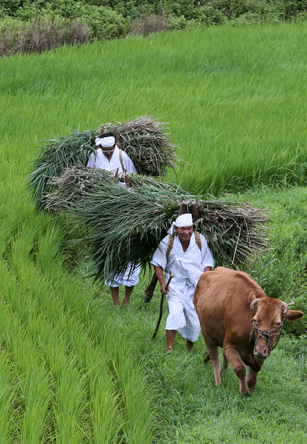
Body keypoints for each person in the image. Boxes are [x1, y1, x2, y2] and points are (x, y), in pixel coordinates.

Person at [87, 132, 139, 306]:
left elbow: (134, 181)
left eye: (111, 150)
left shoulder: (123, 157)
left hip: (124, 208)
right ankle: (115, 301)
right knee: (111, 253)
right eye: (105, 151)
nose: (108, 153)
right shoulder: (94, 156)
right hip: (104, 209)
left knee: (130, 255)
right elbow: (88, 179)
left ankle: (126, 299)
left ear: (115, 146)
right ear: (100, 147)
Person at [151, 213, 214, 353]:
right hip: (174, 285)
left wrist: (205, 281)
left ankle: (189, 349)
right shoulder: (168, 242)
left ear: (193, 228)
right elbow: (157, 264)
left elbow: (207, 262)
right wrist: (162, 283)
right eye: (182, 229)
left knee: (194, 319)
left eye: (189, 228)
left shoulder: (199, 240)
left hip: (196, 286)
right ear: (175, 228)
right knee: (175, 313)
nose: (186, 232)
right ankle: (169, 349)